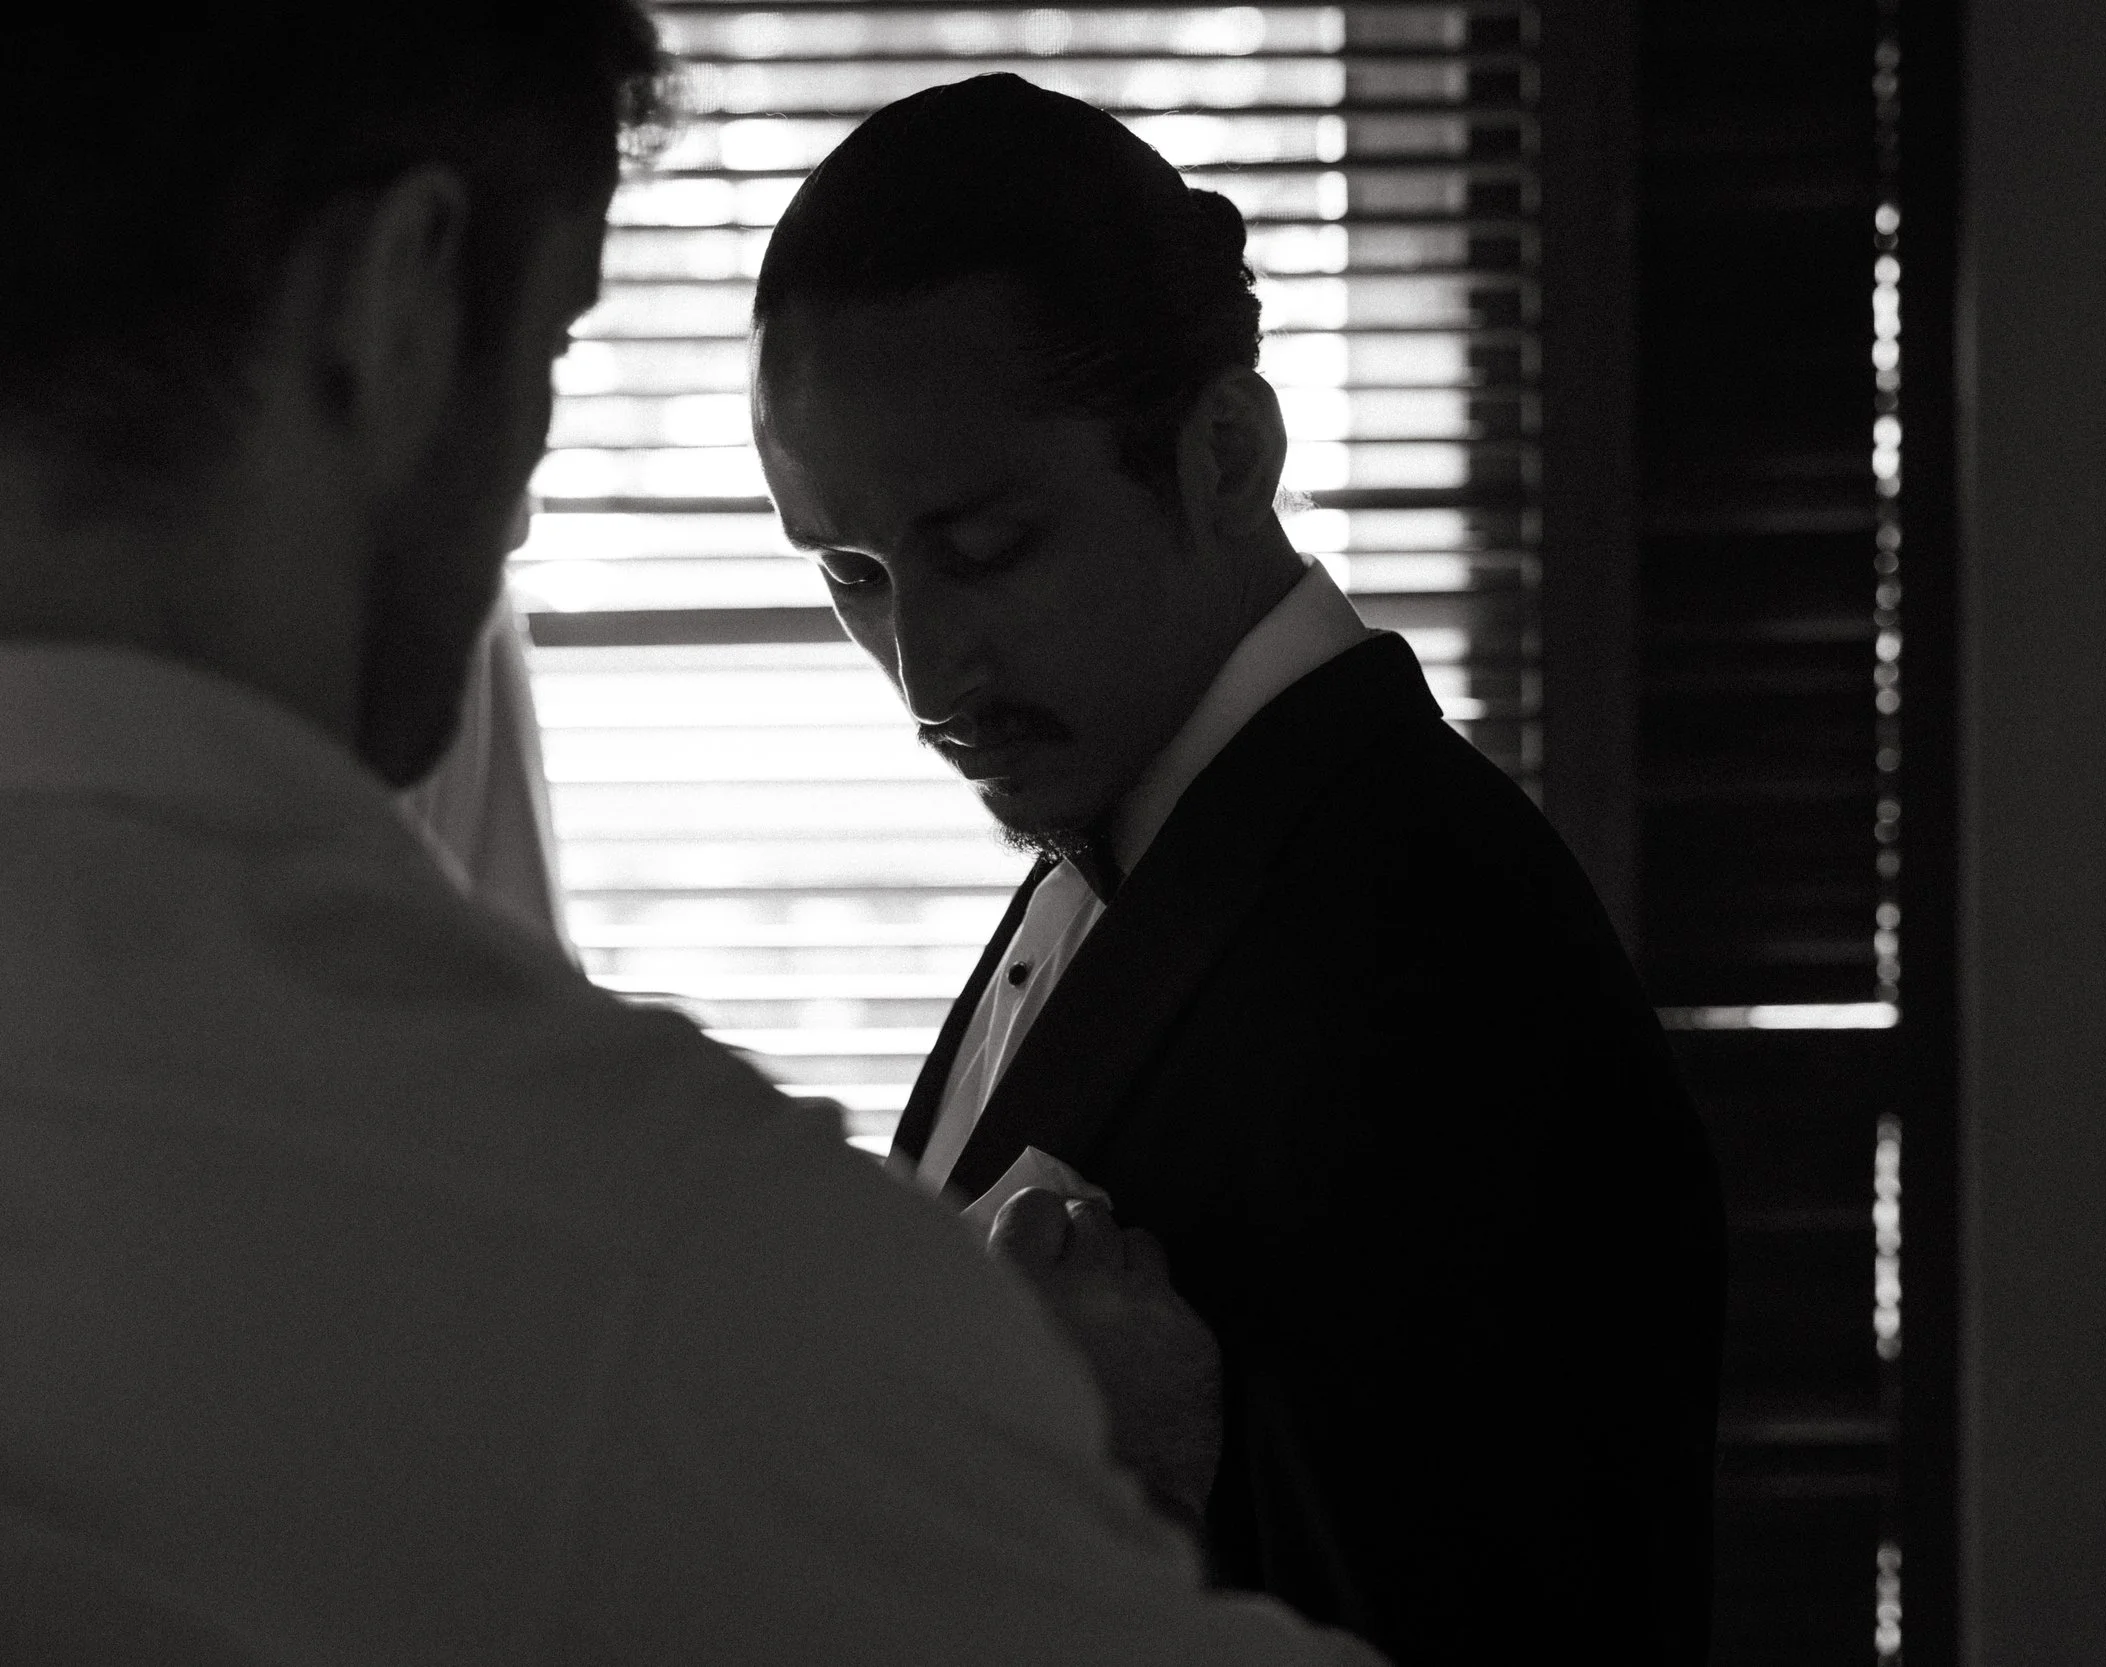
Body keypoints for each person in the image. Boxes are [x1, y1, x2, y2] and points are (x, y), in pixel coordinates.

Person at [0, 11, 1382, 1663]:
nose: (522, 484)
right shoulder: (669, 1275)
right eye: (557, 342)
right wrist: (972, 1433)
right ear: (401, 299)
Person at [753, 73, 1728, 1665]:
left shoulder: (1439, 967)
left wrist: (1116, 1499)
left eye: (988, 548)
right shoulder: (1132, 825)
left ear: (1226, 452)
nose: (925, 672)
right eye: (853, 575)